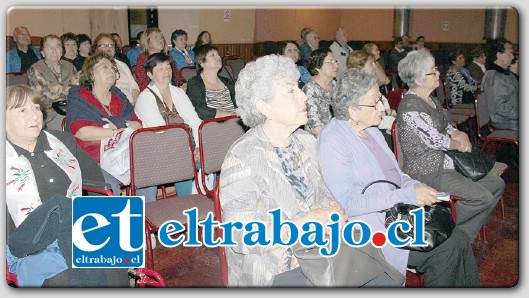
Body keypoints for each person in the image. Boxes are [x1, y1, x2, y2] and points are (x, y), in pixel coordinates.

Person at [317, 69, 481, 287]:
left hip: (397, 213)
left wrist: (417, 186)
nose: (383, 107)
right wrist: (409, 194)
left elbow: (396, 176)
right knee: (446, 251)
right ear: (353, 111)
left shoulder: (372, 132)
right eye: (375, 102)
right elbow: (350, 203)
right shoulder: (333, 142)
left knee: (459, 238)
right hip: (372, 226)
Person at [219, 54, 348, 287]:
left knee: (379, 276)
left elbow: (321, 193)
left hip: (320, 253)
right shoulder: (242, 157)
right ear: (264, 107)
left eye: (298, 87)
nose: (303, 95)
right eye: (291, 91)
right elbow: (239, 236)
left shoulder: (306, 142)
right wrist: (307, 222)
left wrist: (333, 207)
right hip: (276, 269)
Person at [6, 85, 129, 287]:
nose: (34, 115)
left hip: (75, 227)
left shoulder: (62, 141)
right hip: (31, 242)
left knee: (114, 259)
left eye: (36, 108)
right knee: (61, 278)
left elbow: (96, 179)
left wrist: (104, 225)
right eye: (22, 110)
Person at [396, 49, 505, 243]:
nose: (439, 73)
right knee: (482, 198)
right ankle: (453, 236)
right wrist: (458, 144)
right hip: (427, 169)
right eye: (433, 71)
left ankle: (462, 236)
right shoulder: (410, 107)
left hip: (446, 162)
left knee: (496, 184)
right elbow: (436, 140)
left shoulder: (431, 100)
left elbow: (446, 126)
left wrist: (458, 133)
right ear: (419, 80)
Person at [65, 51, 156, 202]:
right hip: (92, 158)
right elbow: (82, 132)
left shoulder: (118, 96)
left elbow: (137, 125)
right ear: (91, 74)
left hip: (122, 154)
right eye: (104, 67)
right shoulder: (79, 96)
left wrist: (111, 126)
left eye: (112, 67)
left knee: (148, 174)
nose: (111, 70)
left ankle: (144, 218)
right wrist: (115, 131)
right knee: (109, 186)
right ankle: (110, 224)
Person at [135, 53, 203, 196]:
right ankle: (185, 202)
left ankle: (205, 197)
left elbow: (194, 121)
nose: (166, 71)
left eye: (168, 67)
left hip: (186, 146)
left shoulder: (178, 92)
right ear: (150, 74)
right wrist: (190, 150)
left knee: (208, 152)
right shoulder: (145, 98)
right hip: (161, 150)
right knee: (184, 161)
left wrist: (198, 146)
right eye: (160, 69)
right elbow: (162, 132)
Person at [27, 34, 79, 131]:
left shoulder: (70, 66)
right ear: (42, 52)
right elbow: (42, 97)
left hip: (75, 108)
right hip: (51, 114)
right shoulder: (35, 69)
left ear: (62, 50)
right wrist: (68, 88)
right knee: (75, 128)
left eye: (57, 46)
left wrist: (58, 88)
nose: (54, 50)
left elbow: (78, 90)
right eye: (49, 47)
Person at [347, 50, 396, 148]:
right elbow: (367, 117)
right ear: (360, 65)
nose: (375, 66)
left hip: (380, 124)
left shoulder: (372, 82)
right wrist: (390, 117)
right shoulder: (356, 86)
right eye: (371, 63)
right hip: (372, 129)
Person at [186, 44, 236, 120]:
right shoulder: (194, 83)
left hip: (235, 124)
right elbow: (200, 111)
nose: (218, 57)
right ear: (202, 63)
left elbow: (239, 104)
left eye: (218, 55)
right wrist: (230, 115)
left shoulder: (227, 82)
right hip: (212, 128)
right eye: (212, 55)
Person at [481, 38, 518, 131]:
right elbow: (499, 107)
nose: (513, 57)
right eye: (509, 54)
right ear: (498, 55)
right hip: (505, 121)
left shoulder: (505, 73)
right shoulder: (494, 77)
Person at [93, 33, 140, 106]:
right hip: (113, 105)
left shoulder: (122, 64)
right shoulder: (93, 66)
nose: (108, 48)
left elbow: (134, 86)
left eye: (111, 45)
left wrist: (136, 103)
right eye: (103, 45)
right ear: (96, 48)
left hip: (132, 104)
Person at [134, 27, 186, 92]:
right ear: (147, 41)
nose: (160, 40)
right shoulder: (142, 60)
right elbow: (142, 84)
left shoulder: (168, 57)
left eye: (161, 37)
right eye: (155, 37)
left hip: (172, 90)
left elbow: (177, 75)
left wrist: (182, 83)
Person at [303, 48, 337, 136]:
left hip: (336, 134)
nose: (336, 65)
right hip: (319, 138)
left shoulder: (335, 85)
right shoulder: (310, 89)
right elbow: (315, 127)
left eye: (335, 61)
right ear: (318, 67)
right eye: (330, 62)